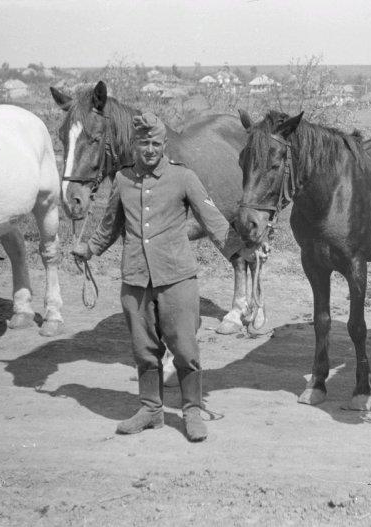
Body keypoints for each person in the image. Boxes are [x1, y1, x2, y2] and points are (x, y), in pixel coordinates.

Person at [72, 112, 250, 442]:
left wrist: (239, 249)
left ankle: (192, 411)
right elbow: (110, 226)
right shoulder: (123, 180)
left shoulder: (184, 177)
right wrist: (89, 249)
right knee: (144, 349)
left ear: (164, 145)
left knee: (185, 348)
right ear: (135, 146)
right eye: (144, 143)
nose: (150, 149)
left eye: (155, 143)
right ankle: (151, 410)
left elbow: (212, 219)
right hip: (136, 278)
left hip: (177, 277)